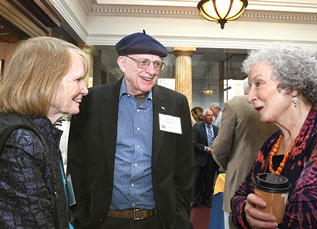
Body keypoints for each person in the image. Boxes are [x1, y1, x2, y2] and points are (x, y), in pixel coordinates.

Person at [67, 31, 194, 229]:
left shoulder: (175, 104)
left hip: (158, 221)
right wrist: (82, 214)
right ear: (123, 63)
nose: (151, 70)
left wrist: (179, 217)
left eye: (157, 64)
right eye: (143, 62)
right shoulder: (92, 100)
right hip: (103, 220)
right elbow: (77, 162)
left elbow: (185, 167)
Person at [231, 43, 317, 228]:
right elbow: (238, 197)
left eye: (258, 84)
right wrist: (247, 212)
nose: (250, 96)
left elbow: (304, 218)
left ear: (292, 86)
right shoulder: (273, 142)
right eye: (249, 87)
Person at [0, 36, 89, 228]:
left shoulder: (42, 132)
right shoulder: (20, 141)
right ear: (46, 82)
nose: (85, 90)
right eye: (78, 80)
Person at [212, 93, 278, 227]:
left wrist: (232, 166)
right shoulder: (278, 103)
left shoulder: (235, 105)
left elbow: (219, 149)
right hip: (273, 187)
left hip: (239, 186)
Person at [192, 109, 219, 208]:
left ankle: (207, 200)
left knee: (209, 181)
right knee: (197, 180)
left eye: (212, 115)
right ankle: (194, 200)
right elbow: (193, 143)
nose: (211, 117)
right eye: (208, 115)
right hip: (200, 159)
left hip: (212, 160)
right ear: (203, 117)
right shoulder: (197, 128)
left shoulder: (216, 129)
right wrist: (204, 148)